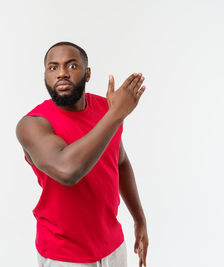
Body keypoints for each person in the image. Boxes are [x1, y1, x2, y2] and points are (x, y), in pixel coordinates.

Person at [16, 41, 149, 267]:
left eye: (72, 66)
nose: (62, 73)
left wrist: (139, 219)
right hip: (64, 254)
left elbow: (120, 161)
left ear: (87, 74)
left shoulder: (107, 109)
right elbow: (68, 171)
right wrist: (116, 114)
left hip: (113, 246)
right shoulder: (32, 124)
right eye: (53, 67)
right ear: (45, 75)